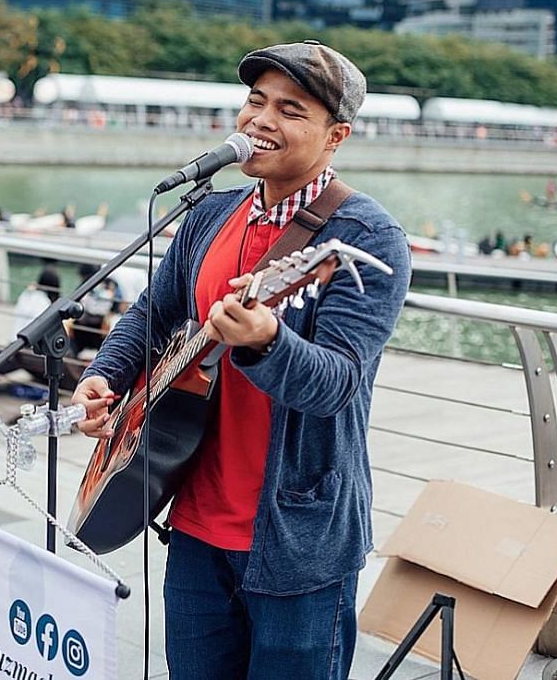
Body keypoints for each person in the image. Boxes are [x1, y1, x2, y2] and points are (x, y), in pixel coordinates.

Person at [72, 41, 411, 678]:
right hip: (195, 522)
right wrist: (104, 376)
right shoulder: (211, 213)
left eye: (290, 109)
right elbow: (154, 311)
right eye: (255, 101)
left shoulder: (366, 236)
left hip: (298, 541)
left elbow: (337, 382)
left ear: (336, 135)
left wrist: (265, 341)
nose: (261, 119)